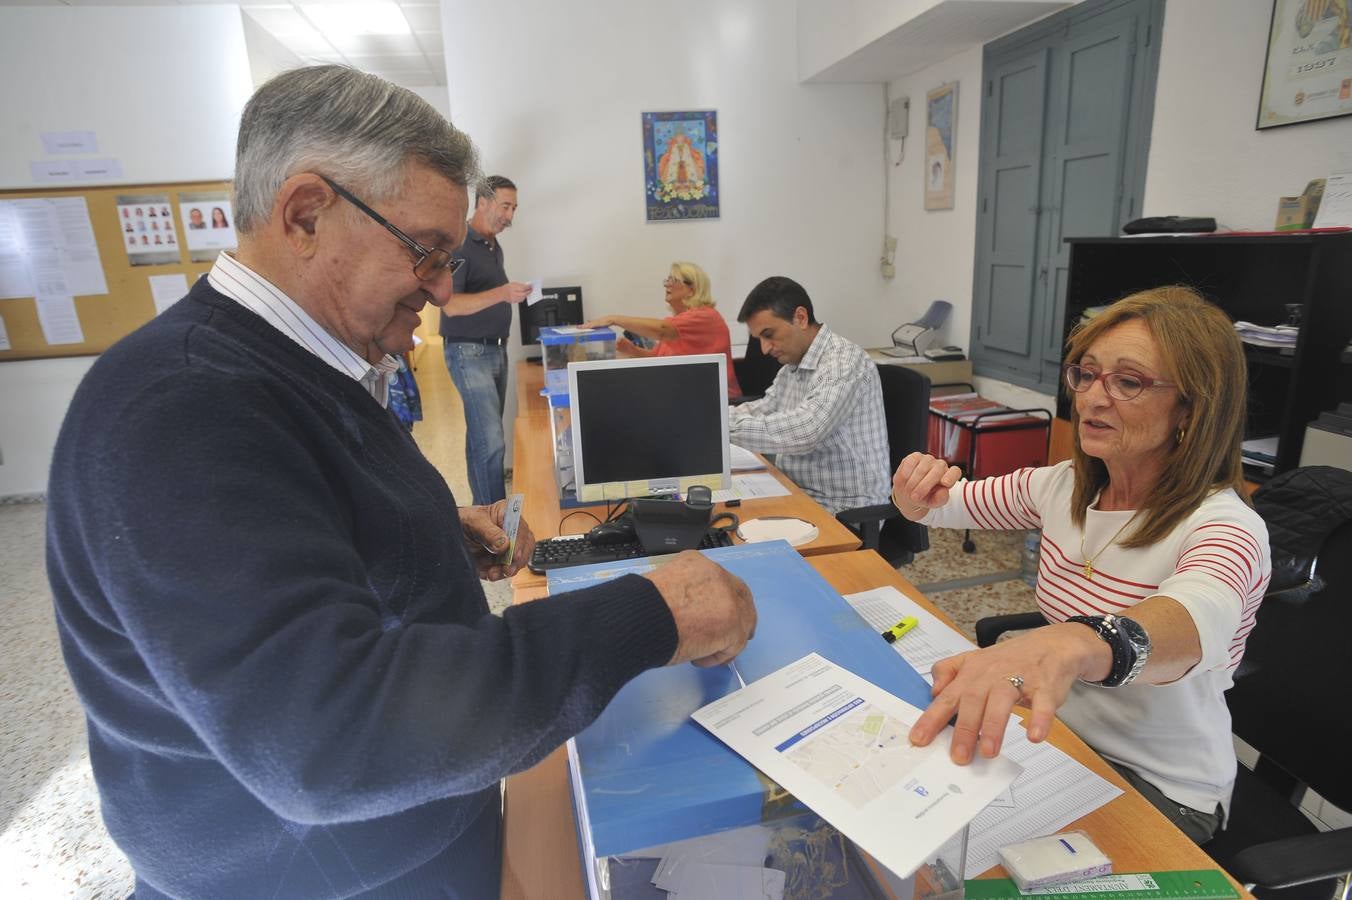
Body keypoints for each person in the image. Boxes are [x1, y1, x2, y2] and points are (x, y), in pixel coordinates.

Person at [46, 65, 756, 899]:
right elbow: (331, 741)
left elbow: (295, 525)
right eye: (426, 252)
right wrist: (652, 613)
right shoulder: (181, 411)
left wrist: (423, 530)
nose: (447, 288)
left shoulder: (295, 366)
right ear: (307, 214)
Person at [894, 286, 1270, 843]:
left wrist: (1072, 643)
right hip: (1061, 747)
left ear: (1191, 408)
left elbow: (1193, 619)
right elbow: (944, 506)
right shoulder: (1066, 486)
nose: (1093, 398)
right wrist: (914, 491)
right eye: (1087, 374)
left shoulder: (1225, 526)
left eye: (1128, 382)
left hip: (1161, 788)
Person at [728, 275, 890, 513]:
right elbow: (764, 407)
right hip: (798, 492)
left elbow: (806, 431)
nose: (764, 349)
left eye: (769, 334)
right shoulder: (792, 367)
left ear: (800, 318)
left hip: (846, 508)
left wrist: (721, 427)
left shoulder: (843, 361)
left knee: (738, 533)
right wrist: (714, 414)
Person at [438, 174, 531, 505]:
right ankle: (498, 525)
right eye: (505, 206)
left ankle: (484, 515)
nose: (510, 216)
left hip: (495, 350)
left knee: (482, 438)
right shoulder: (461, 243)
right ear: (482, 202)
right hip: (468, 352)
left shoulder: (493, 245)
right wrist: (503, 293)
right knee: (490, 440)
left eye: (514, 208)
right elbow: (450, 305)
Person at [586, 261, 742, 399]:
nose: (667, 284)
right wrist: (632, 350)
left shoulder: (704, 316)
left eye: (673, 280)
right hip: (691, 395)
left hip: (718, 401)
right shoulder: (680, 322)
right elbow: (657, 358)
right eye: (667, 280)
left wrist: (614, 319)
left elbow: (661, 329)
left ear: (692, 289)